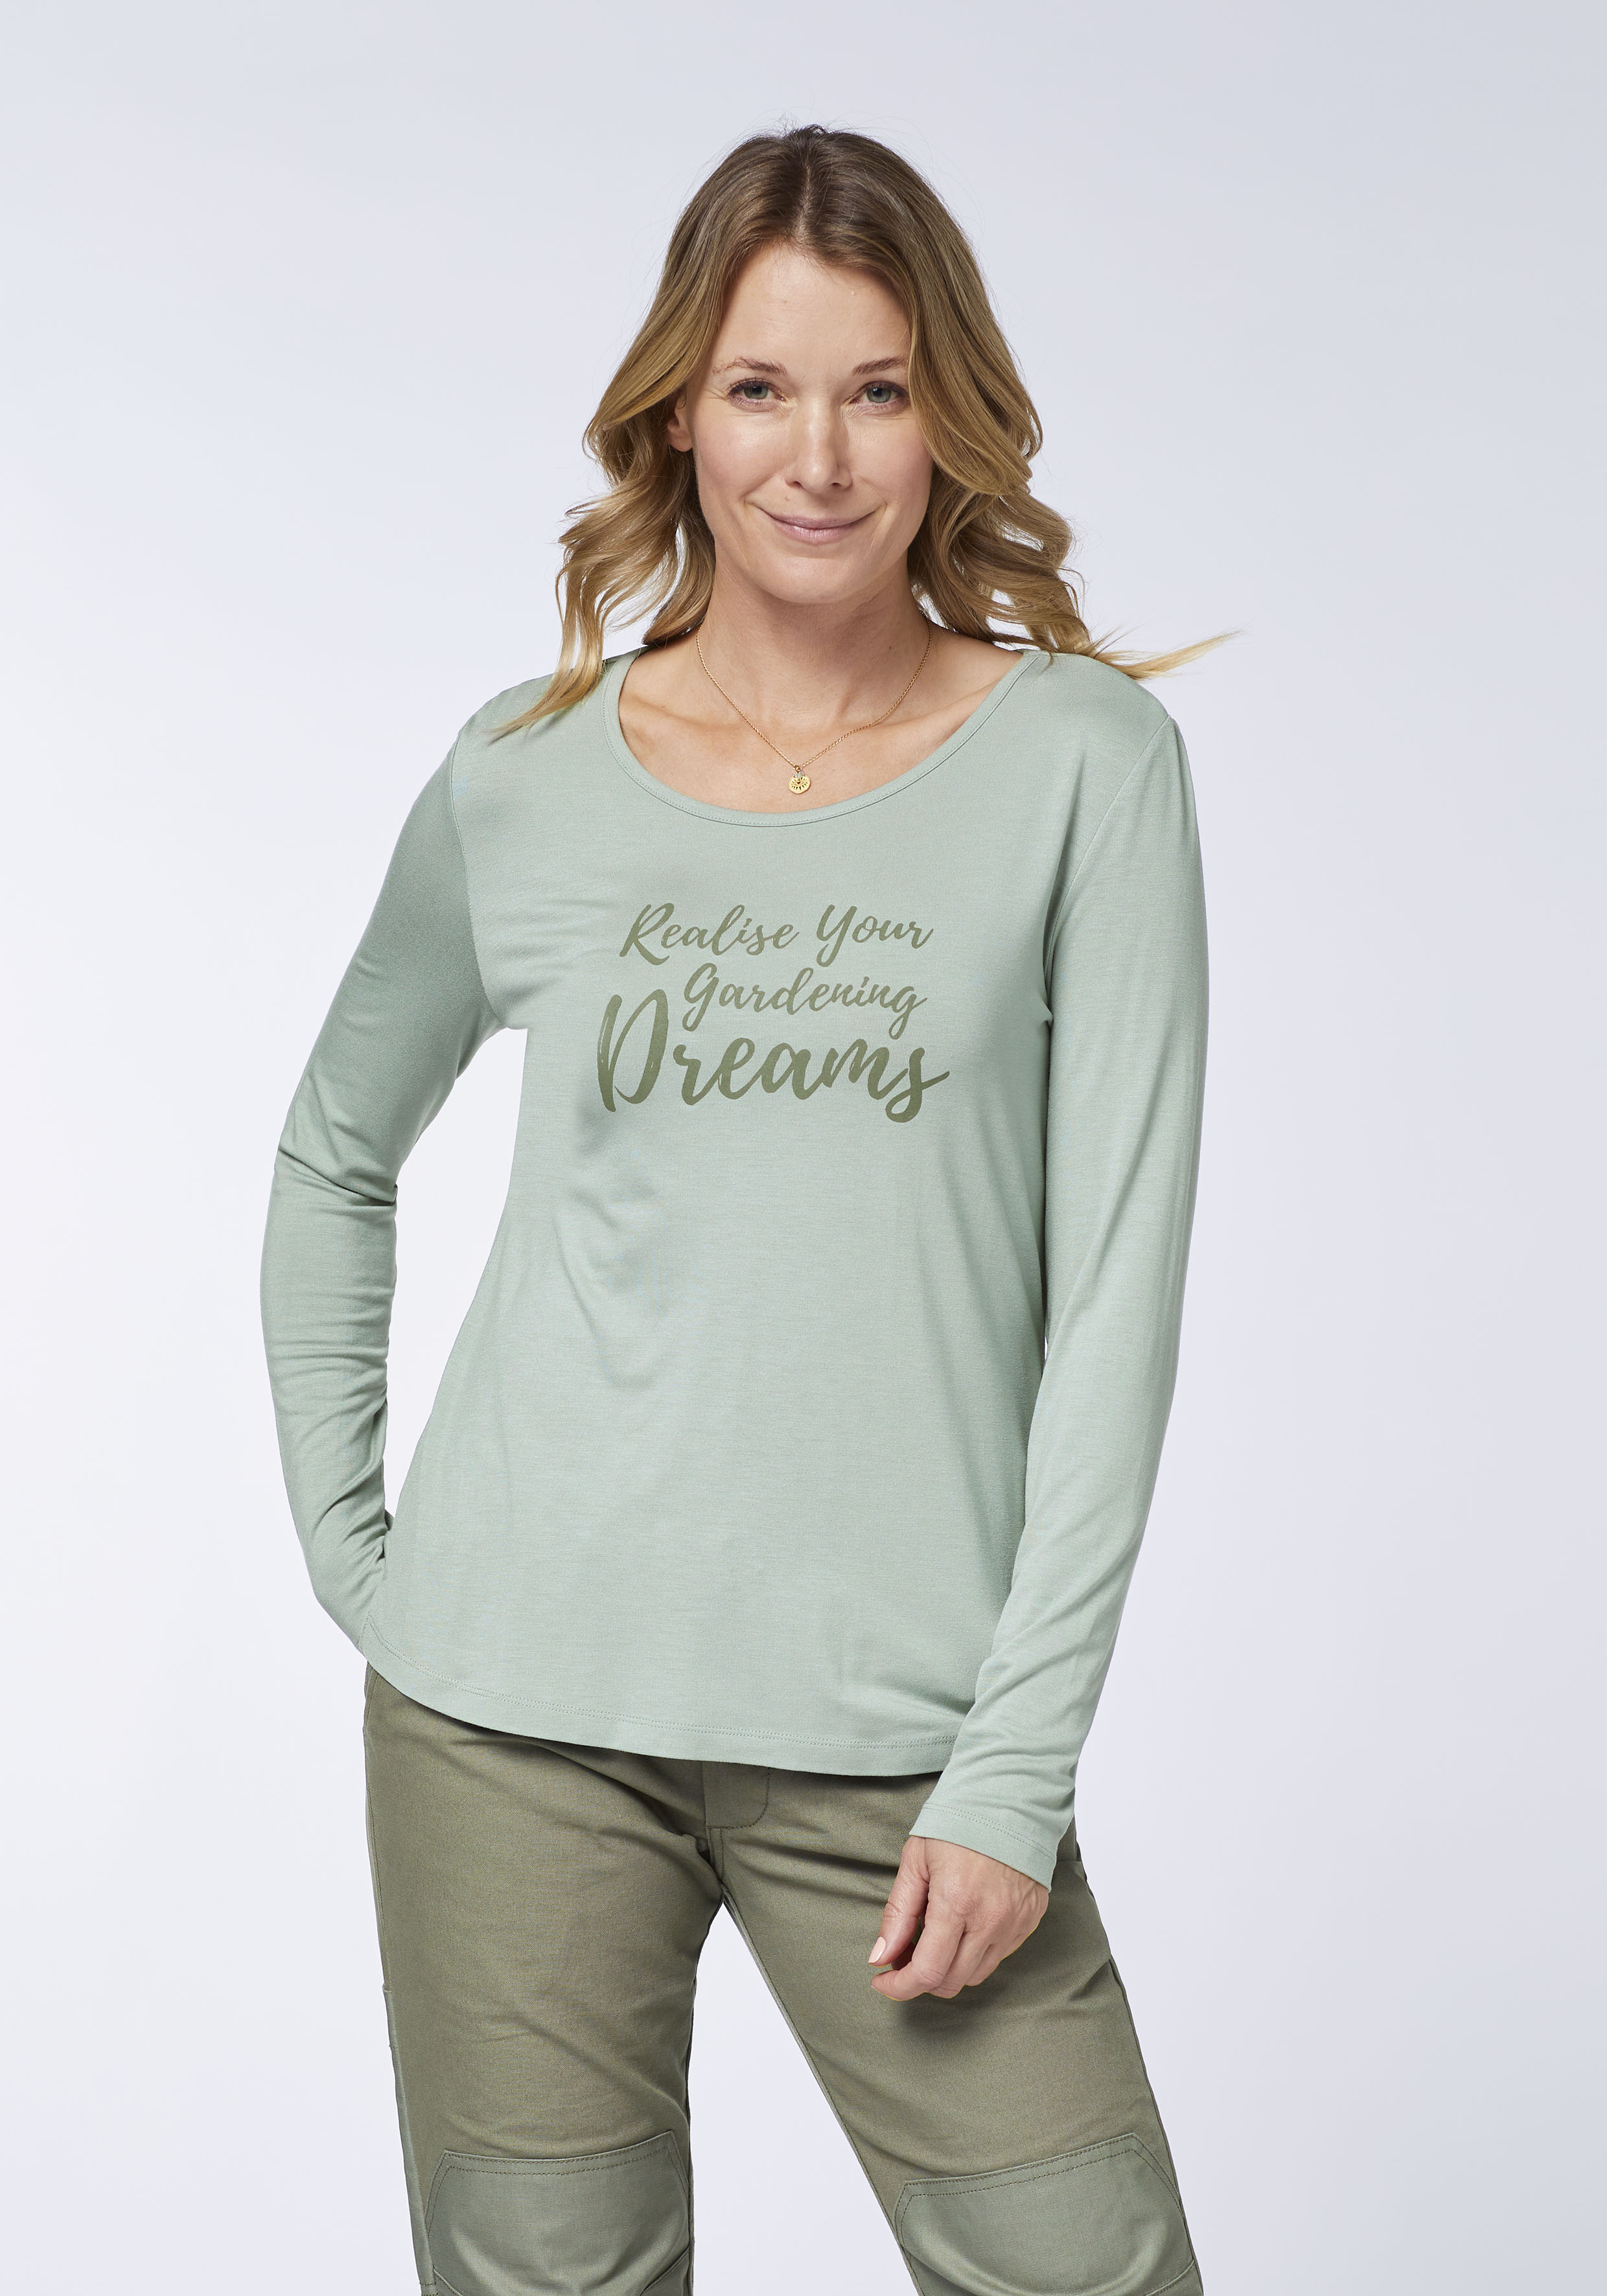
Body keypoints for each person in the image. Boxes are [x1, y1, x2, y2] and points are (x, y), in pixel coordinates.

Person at [261, 122, 1216, 2296]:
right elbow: (334, 1148)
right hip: (510, 1728)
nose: (821, 454)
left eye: (879, 389)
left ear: (947, 416)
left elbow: (1116, 1294)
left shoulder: (1085, 767)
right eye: (762, 387)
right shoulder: (524, 774)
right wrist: (360, 1552)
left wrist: (1015, 1769)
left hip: (905, 1743)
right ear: (678, 413)